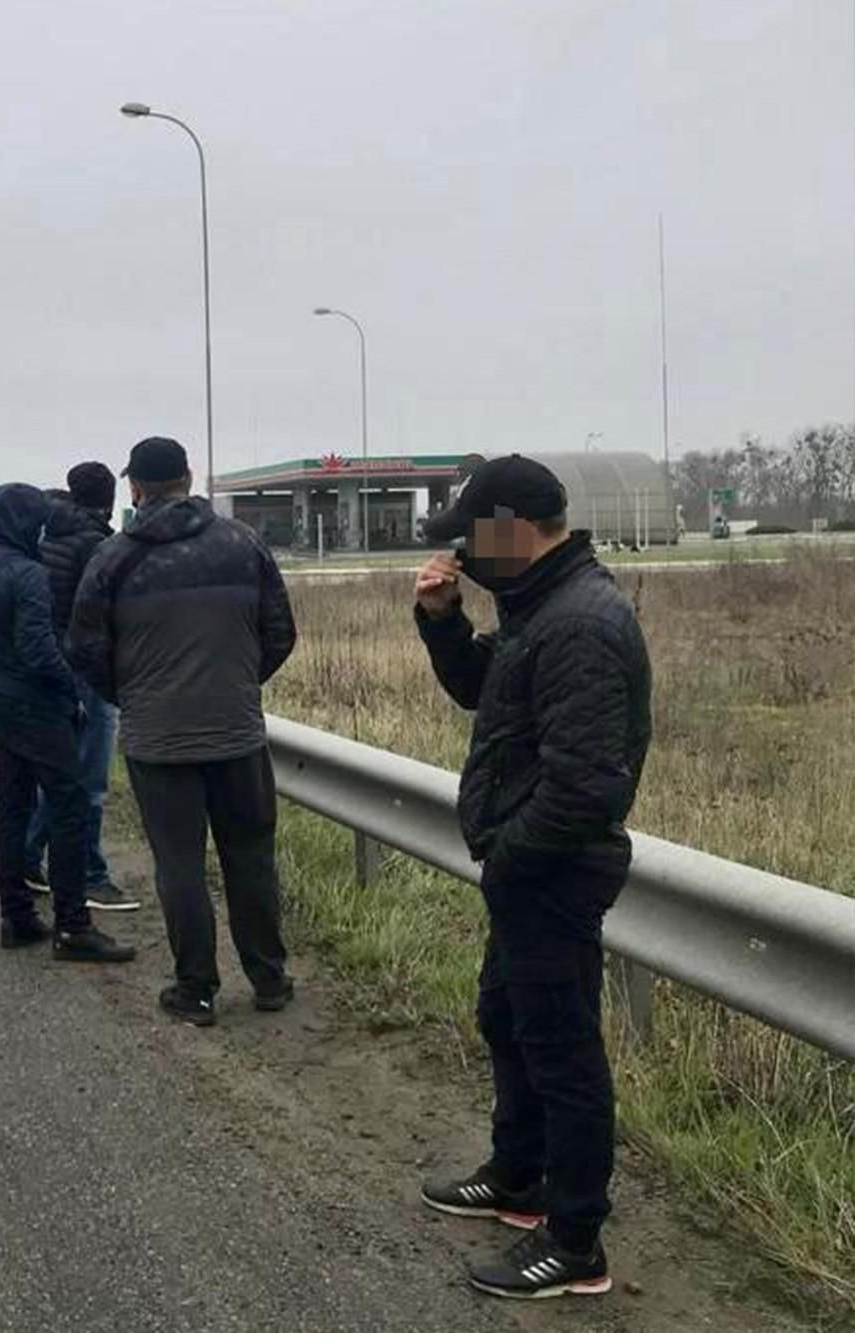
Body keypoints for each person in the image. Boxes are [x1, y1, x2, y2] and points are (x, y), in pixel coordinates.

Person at [411, 454, 651, 1301]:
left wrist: (509, 856)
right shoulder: (536, 606)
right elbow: (489, 695)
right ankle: (518, 1174)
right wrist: (443, 621)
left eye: (475, 540)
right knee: (507, 1016)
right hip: (524, 866)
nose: (466, 557)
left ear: (515, 526)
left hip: (552, 869)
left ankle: (575, 1237)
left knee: (563, 1050)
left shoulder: (580, 620)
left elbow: (586, 783)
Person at [67, 437, 296, 1026]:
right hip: (237, 734)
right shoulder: (244, 544)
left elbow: (85, 651)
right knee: (250, 858)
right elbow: (280, 633)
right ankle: (269, 978)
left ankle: (195, 989)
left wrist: (136, 697)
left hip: (158, 742)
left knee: (180, 865)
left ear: (136, 488)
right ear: (189, 478)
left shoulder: (113, 559)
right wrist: (239, 683)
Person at [0, 483, 134, 963]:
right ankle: (73, 924)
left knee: (12, 805)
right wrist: (71, 688)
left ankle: (15, 915)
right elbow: (39, 647)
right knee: (69, 806)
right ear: (25, 521)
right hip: (34, 703)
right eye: (37, 518)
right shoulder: (29, 572)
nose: (43, 527)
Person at [23, 462, 136, 912]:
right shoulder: (97, 544)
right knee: (88, 780)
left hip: (56, 665)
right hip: (89, 670)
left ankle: (28, 855)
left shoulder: (50, 535)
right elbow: (106, 614)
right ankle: (90, 874)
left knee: (59, 774)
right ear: (110, 497)